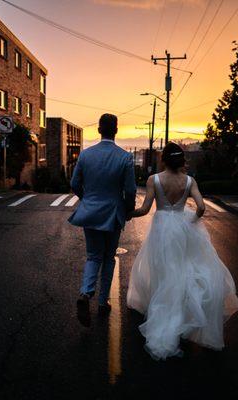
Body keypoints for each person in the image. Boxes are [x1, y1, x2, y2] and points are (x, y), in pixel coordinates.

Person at [126, 142, 238, 360]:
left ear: (164, 159)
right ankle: (182, 315)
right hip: (183, 227)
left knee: (164, 272)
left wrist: (127, 213)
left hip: (161, 228)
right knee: (183, 270)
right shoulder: (189, 181)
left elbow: (144, 209)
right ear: (181, 160)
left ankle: (166, 315)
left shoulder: (154, 180)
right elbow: (201, 207)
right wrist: (192, 222)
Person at [69, 113, 137, 327]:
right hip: (113, 214)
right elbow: (130, 190)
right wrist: (127, 210)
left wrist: (86, 199)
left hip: (90, 213)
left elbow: (74, 183)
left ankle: (86, 293)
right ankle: (102, 302)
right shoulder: (124, 157)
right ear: (116, 130)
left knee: (93, 256)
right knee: (108, 258)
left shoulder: (85, 155)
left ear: (99, 130)